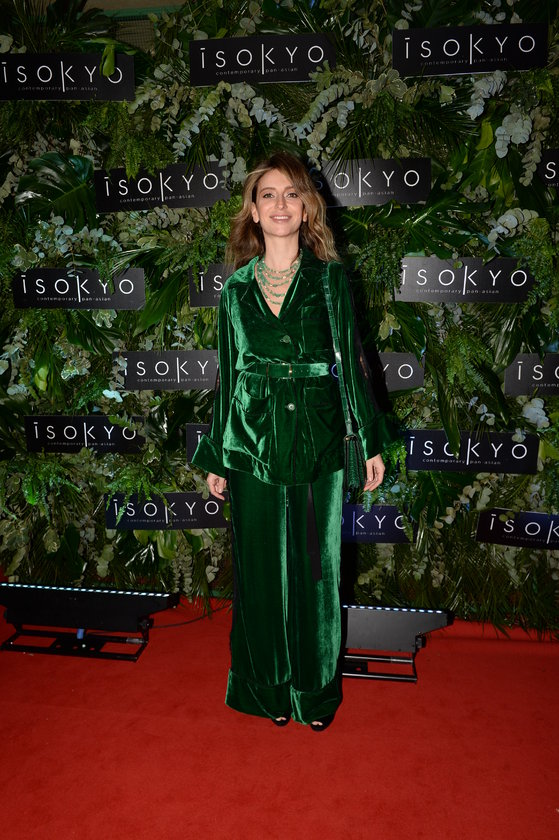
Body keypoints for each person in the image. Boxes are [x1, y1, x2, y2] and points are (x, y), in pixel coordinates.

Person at [192, 151, 398, 730]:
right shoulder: (235, 290)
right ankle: (265, 691)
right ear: (253, 212)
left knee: (314, 572)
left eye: (291, 194)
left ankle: (313, 694)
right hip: (251, 444)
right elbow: (228, 375)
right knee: (258, 574)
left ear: (307, 208)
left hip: (319, 444)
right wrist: (218, 455)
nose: (280, 204)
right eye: (268, 195)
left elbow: (353, 365)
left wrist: (368, 442)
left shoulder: (330, 281)